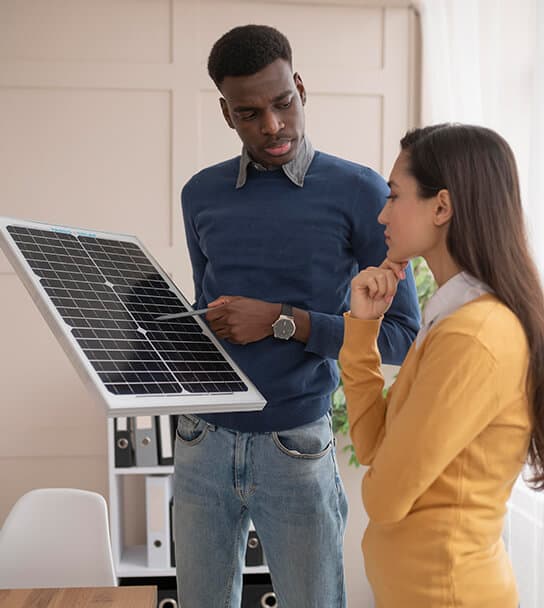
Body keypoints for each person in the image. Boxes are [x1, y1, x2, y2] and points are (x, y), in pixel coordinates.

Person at [174, 24, 420, 608]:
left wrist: (286, 320)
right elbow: (206, 309)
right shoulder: (199, 194)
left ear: (301, 88)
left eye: (283, 103)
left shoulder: (359, 191)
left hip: (295, 449)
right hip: (199, 442)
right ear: (226, 113)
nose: (273, 125)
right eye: (249, 112)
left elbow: (403, 338)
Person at [340, 123, 544, 607]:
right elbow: (371, 445)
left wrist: (387, 469)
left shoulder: (473, 335)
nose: (382, 213)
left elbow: (385, 497)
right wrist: (364, 329)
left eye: (394, 196)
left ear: (442, 206)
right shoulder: (451, 319)